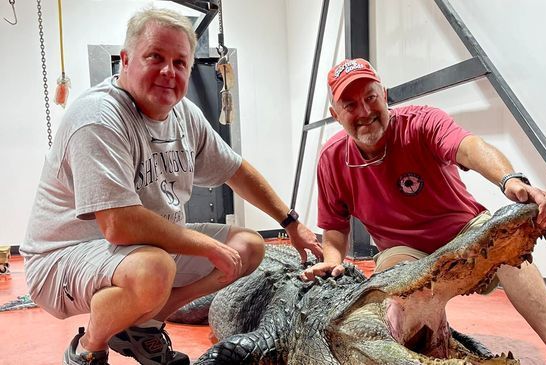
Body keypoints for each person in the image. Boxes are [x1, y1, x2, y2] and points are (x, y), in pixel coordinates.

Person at [20, 8, 322, 365]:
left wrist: (291, 222)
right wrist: (205, 246)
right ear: (126, 60)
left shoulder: (184, 115)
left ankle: (142, 326)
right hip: (64, 255)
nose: (168, 71)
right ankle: (88, 349)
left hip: (138, 250)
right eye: (155, 57)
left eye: (180, 62)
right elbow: (119, 225)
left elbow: (236, 171)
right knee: (155, 268)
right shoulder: (98, 117)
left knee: (249, 246)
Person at [300, 58, 546, 364]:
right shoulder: (331, 159)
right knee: (388, 305)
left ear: (385, 94)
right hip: (403, 254)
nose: (365, 112)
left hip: (463, 235)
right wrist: (331, 260)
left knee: (505, 247)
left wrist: (509, 179)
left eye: (370, 97)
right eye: (350, 105)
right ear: (335, 115)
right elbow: (335, 227)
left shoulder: (422, 121)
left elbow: (469, 147)